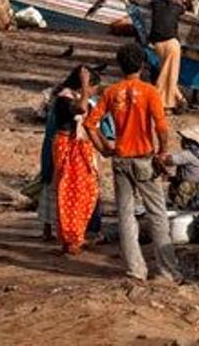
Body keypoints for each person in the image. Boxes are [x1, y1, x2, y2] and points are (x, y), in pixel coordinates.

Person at [83, 44, 182, 283]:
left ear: (120, 65)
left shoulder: (111, 92)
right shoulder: (149, 92)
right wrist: (163, 152)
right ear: (142, 65)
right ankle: (168, 271)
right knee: (157, 215)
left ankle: (136, 269)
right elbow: (161, 127)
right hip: (145, 159)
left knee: (126, 215)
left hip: (121, 158)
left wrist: (104, 148)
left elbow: (89, 124)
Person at [51, 66, 100, 255]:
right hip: (68, 146)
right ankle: (70, 238)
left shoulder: (75, 97)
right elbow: (81, 108)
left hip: (79, 147)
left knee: (86, 191)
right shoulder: (66, 98)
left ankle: (77, 235)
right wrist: (86, 86)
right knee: (69, 191)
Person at [148, 0, 188, 111]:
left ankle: (180, 98)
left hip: (157, 44)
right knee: (169, 74)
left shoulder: (156, 3)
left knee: (166, 72)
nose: (184, 0)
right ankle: (163, 103)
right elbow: (186, 8)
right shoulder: (178, 7)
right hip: (171, 43)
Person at [162, 124, 199, 208]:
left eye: (184, 139)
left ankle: (183, 206)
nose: (181, 141)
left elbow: (167, 160)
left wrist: (159, 155)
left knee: (179, 187)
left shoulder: (188, 154)